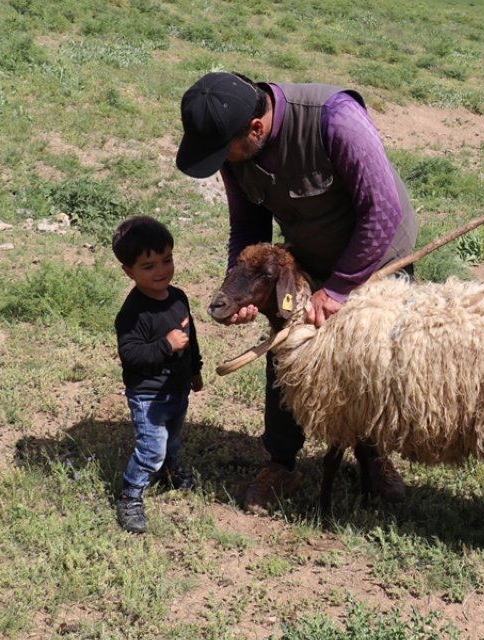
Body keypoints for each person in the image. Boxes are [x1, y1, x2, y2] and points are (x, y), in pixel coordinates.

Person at [174, 71, 419, 513]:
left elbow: (382, 210)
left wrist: (341, 288)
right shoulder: (237, 149)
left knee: (371, 361)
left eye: (222, 151)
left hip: (378, 257)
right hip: (309, 257)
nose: (221, 162)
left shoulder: (335, 120)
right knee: (288, 352)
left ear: (255, 128)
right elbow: (248, 226)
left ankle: (373, 454)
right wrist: (243, 290)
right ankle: (281, 463)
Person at [111, 216, 204, 533]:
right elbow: (131, 354)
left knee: (172, 439)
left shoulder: (178, 298)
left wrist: (195, 369)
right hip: (148, 395)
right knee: (150, 449)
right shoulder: (133, 312)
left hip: (177, 389)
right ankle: (130, 494)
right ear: (129, 271)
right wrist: (165, 345)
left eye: (166, 260)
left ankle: (169, 468)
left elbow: (191, 336)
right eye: (148, 266)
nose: (161, 271)